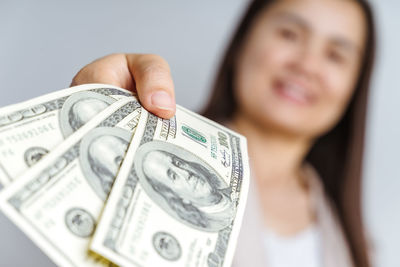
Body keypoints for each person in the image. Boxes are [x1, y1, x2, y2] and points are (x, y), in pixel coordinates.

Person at [71, 0, 375, 266]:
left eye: (335, 55)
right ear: (242, 44)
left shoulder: (356, 243)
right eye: (289, 35)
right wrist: (96, 118)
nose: (307, 65)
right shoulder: (148, 164)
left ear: (354, 87)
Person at [134, 142, 235, 231]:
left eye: (178, 163)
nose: (186, 173)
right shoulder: (209, 226)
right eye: (173, 176)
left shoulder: (234, 191)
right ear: (176, 196)